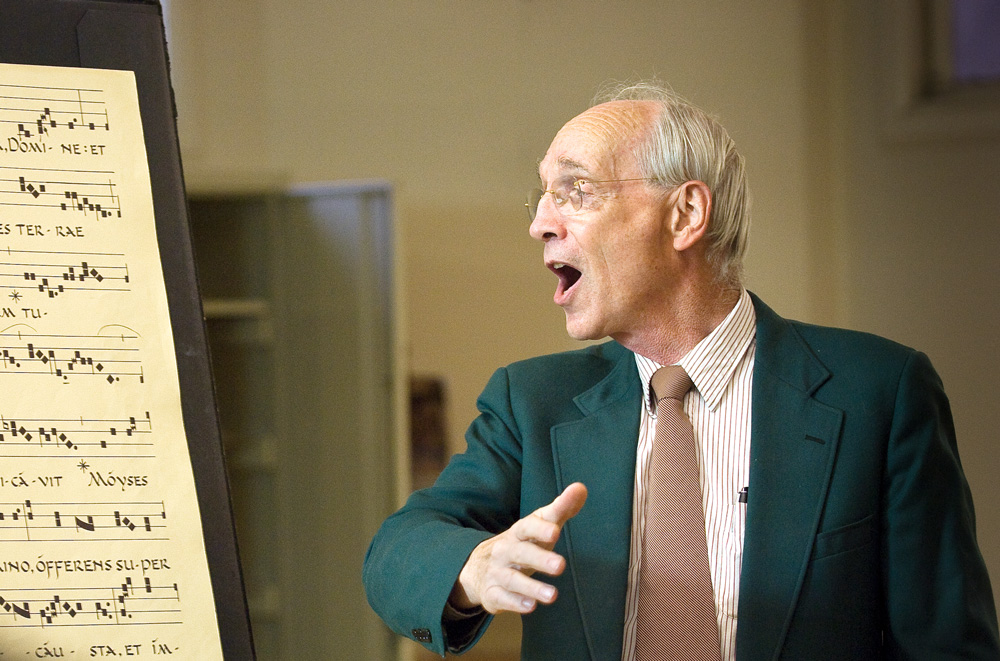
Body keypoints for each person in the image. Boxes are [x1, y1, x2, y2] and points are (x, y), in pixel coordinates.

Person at [363, 82, 1000, 660]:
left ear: (685, 215)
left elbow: (949, 649)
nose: (540, 224)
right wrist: (474, 568)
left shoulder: (879, 394)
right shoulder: (532, 403)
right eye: (543, 194)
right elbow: (397, 550)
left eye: (576, 190)